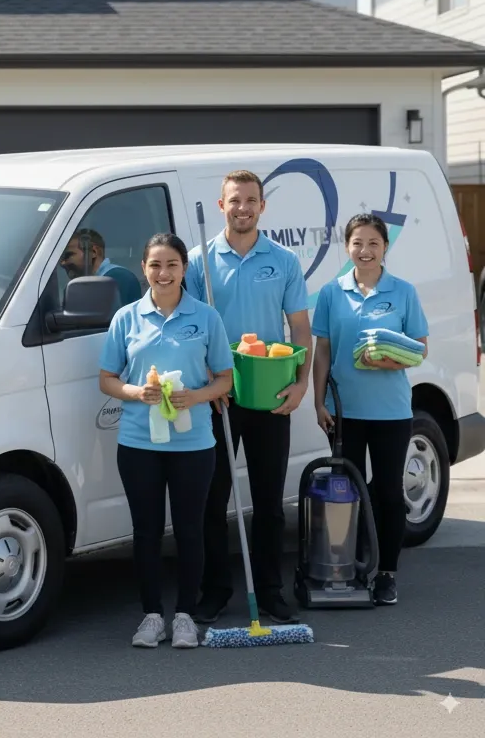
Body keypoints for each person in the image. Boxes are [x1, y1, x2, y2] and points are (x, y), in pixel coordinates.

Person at [184, 169, 313, 625]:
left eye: (251, 200)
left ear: (263, 206)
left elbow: (300, 328)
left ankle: (271, 590)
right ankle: (215, 590)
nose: (243, 207)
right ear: (222, 206)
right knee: (212, 499)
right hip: (219, 397)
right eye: (234, 200)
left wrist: (300, 385)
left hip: (269, 394)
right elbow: (191, 328)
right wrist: (207, 386)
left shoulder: (283, 260)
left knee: (269, 500)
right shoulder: (198, 262)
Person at [99, 233, 234, 649]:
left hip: (193, 444)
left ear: (184, 269)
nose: (163, 273)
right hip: (139, 443)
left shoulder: (206, 317)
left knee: (191, 530)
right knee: (146, 531)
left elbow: (225, 379)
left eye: (172, 265)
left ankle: (185, 617)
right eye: (155, 265)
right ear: (144, 268)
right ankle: (152, 615)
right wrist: (136, 393)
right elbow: (107, 379)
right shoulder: (126, 318)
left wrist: (196, 395)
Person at [311, 213, 428, 606]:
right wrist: (317, 400)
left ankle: (387, 573)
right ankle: (352, 567)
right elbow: (322, 350)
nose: (365, 251)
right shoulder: (331, 293)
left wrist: (393, 360)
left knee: (389, 495)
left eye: (373, 243)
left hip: (391, 411)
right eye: (357, 243)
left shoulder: (403, 291)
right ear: (347, 247)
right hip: (344, 410)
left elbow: (420, 347)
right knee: (347, 494)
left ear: (385, 247)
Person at [60, 229, 142, 308]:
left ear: (93, 252)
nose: (62, 263)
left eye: (68, 255)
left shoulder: (118, 278)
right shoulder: (89, 284)